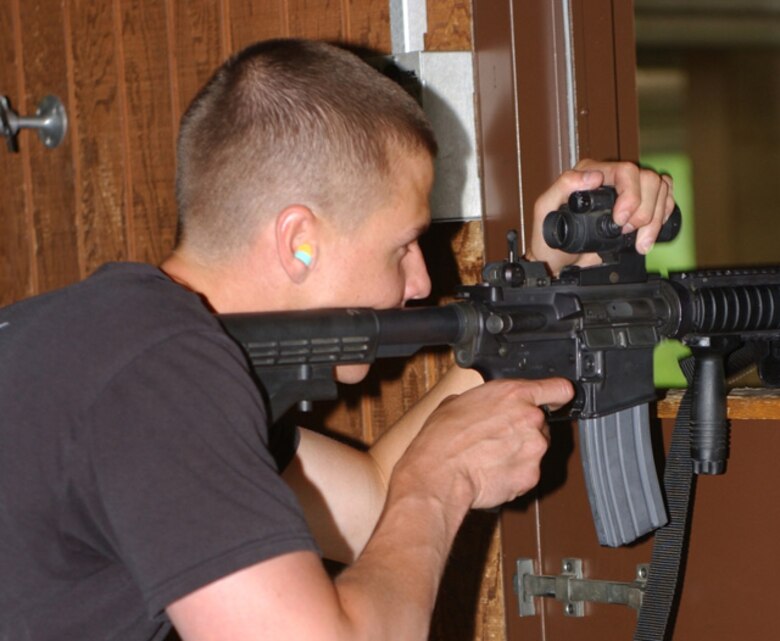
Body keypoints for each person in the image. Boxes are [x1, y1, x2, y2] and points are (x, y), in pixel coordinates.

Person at [0, 39, 674, 641]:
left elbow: (369, 506)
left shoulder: (122, 345)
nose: (419, 281)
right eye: (405, 244)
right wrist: (442, 480)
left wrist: (536, 285)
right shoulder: (160, 373)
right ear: (300, 242)